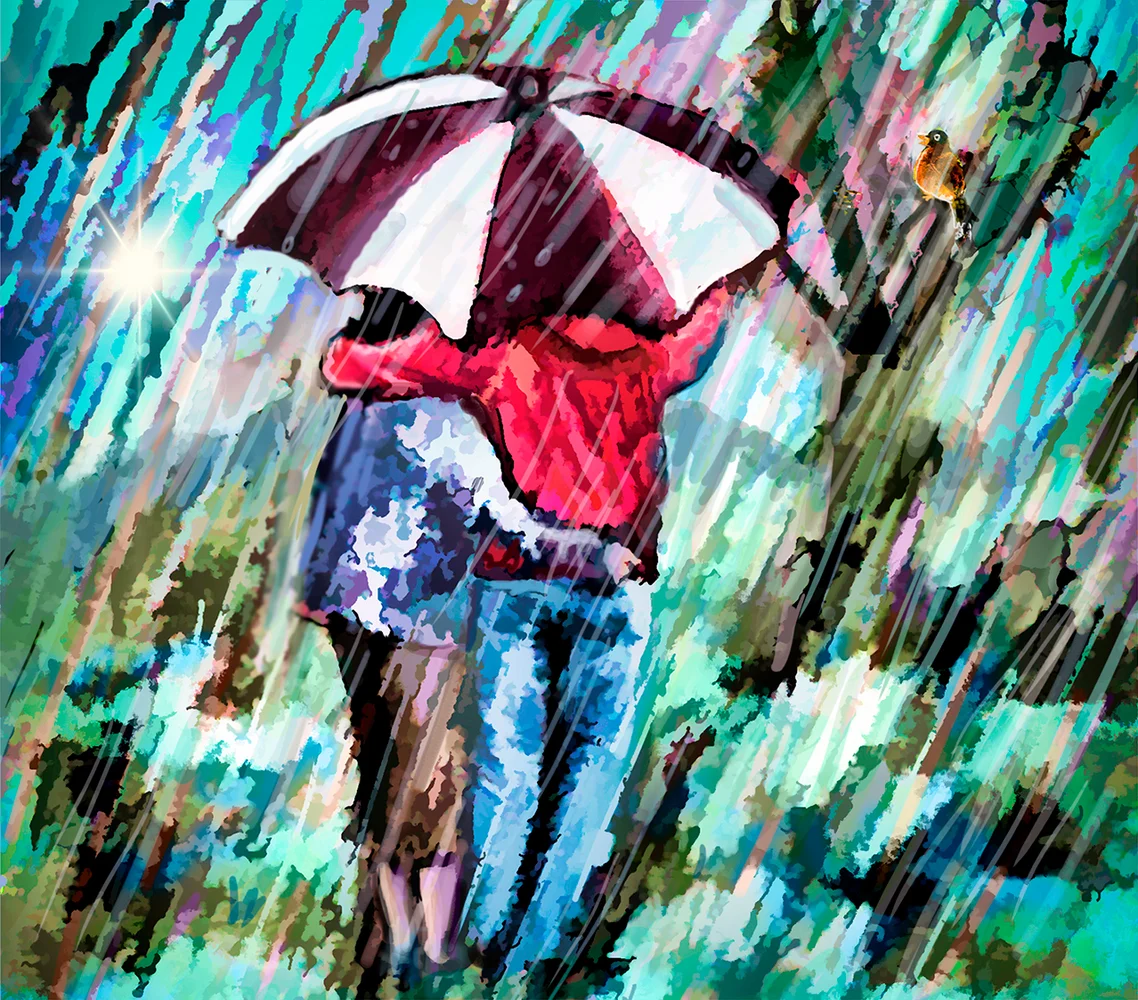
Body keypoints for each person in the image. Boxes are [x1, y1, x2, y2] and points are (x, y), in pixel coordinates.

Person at [318, 278, 739, 983]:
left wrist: (349, 349)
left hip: (516, 581)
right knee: (591, 771)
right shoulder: (655, 360)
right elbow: (698, 341)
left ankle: (476, 945)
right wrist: (721, 285)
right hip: (615, 581)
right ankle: (531, 957)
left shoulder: (504, 354)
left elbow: (360, 367)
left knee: (506, 772)